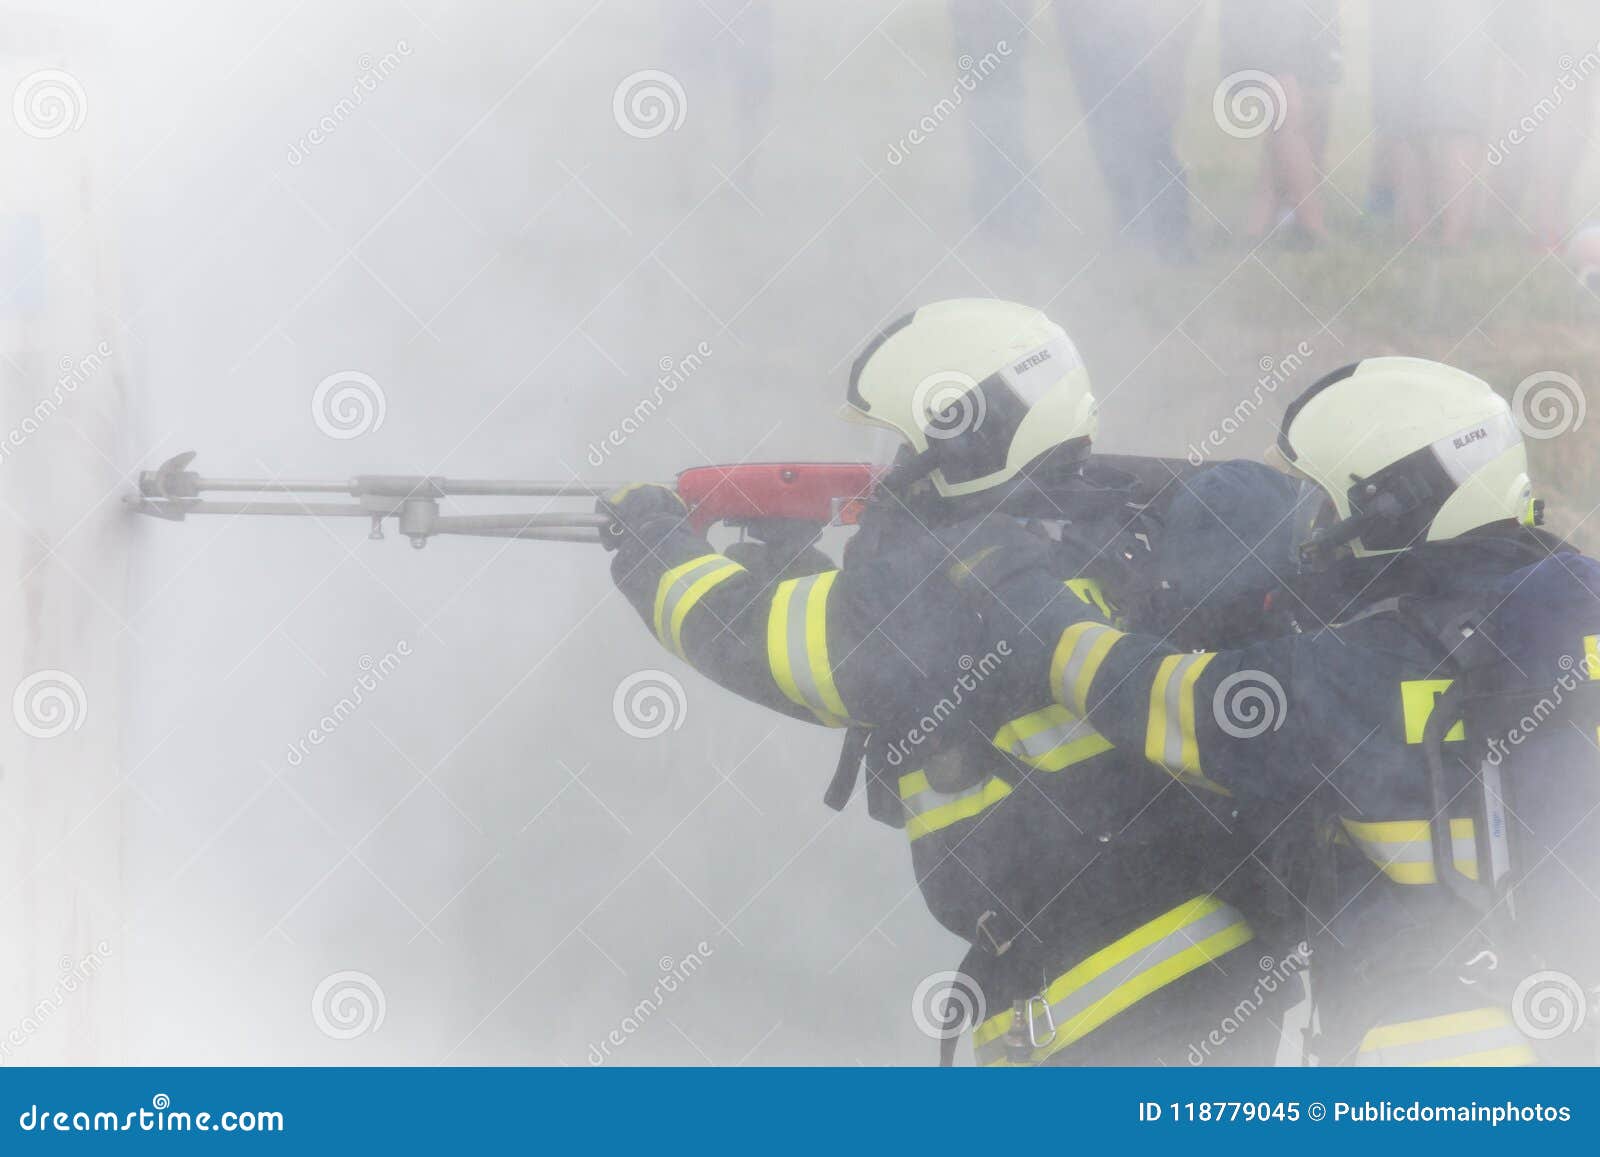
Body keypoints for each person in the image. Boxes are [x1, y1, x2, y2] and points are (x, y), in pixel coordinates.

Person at [597, 299, 1290, 1064]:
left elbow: (754, 639)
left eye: (909, 443)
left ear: (966, 437)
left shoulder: (959, 578)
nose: (899, 469)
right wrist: (792, 563)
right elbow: (899, 661)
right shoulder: (1127, 533)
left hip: (1102, 1010)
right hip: (1223, 968)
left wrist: (650, 542)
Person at [934, 357, 1600, 1064]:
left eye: (1325, 502)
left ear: (1394, 506)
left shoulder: (1357, 670)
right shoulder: (1567, 608)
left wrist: (1023, 596)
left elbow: (1150, 696)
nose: (1309, 528)